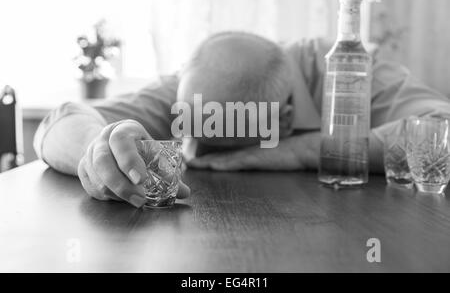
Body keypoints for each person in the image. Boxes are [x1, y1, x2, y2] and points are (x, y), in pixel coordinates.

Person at [34, 31, 450, 208]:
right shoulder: (200, 83)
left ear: (283, 120)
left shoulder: (350, 67)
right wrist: (99, 147)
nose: (193, 150)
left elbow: (442, 130)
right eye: (191, 131)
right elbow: (60, 122)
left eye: (216, 141)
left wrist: (305, 151)